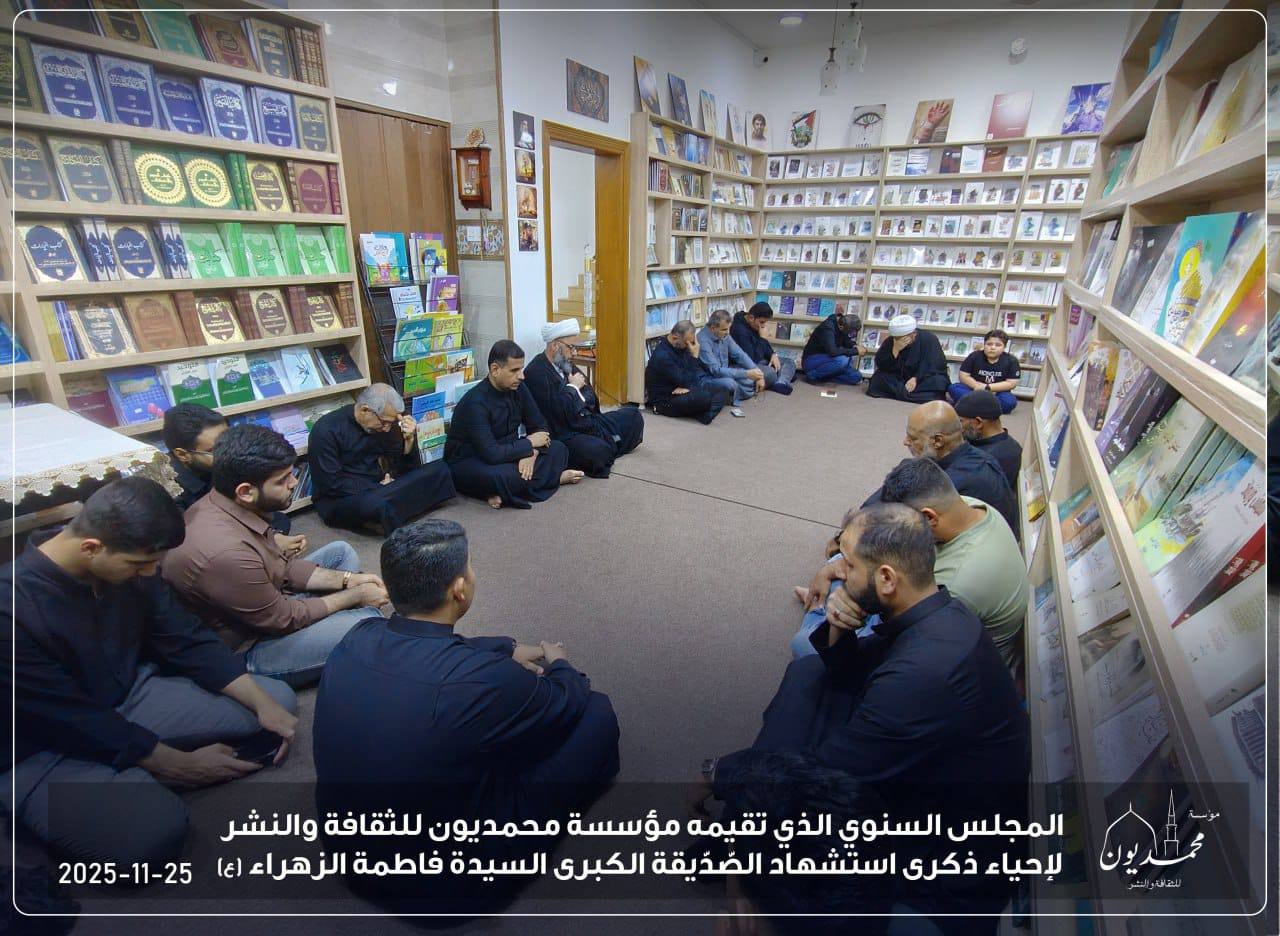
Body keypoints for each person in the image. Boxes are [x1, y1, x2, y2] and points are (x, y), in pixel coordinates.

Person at [716, 504, 1029, 933]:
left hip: (941, 864)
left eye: (847, 563)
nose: (838, 572)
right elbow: (852, 671)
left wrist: (723, 772)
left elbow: (826, 775)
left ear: (886, 578)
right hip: (925, 789)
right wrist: (840, 626)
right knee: (807, 675)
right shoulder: (940, 611)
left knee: (776, 809)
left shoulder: (921, 677)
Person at [314, 519, 619, 906]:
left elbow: (435, 645)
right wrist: (560, 664)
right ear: (459, 588)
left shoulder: (357, 635)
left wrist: (506, 647)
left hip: (345, 856)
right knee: (597, 713)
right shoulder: (485, 681)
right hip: (448, 888)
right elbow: (567, 700)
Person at [2, 477, 298, 865]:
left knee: (275, 701)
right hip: (40, 742)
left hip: (125, 694)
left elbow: (184, 636)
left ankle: (133, 768)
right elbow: (68, 716)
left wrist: (261, 704)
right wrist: (174, 764)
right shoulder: (11, 609)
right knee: (154, 835)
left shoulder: (133, 562)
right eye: (140, 564)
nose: (149, 573)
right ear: (91, 547)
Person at [162, 424, 389, 687]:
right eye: (283, 480)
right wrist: (354, 595)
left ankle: (332, 621)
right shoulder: (225, 553)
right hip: (247, 646)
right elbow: (283, 618)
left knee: (340, 552)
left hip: (264, 602)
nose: (295, 482)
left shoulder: (225, 502)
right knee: (369, 623)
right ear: (246, 491)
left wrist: (348, 580)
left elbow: (281, 566)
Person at [794, 460, 1028, 669]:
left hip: (930, 650)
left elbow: (897, 635)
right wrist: (833, 569)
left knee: (805, 645)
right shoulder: (968, 506)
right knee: (848, 558)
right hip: (920, 604)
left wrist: (842, 608)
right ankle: (825, 601)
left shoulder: (957, 582)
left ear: (928, 518)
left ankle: (818, 609)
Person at [445, 339, 582, 508]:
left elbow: (540, 426)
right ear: (495, 370)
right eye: (514, 370)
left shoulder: (518, 387)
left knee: (558, 448)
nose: (522, 376)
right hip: (473, 460)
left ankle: (506, 491)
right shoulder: (475, 402)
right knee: (502, 476)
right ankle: (554, 479)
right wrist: (529, 444)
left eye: (521, 369)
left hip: (509, 451)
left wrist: (531, 454)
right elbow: (491, 453)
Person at [307, 383, 456, 536]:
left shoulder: (383, 424)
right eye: (384, 422)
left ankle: (383, 516)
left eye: (391, 423)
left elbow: (405, 468)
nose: (387, 428)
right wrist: (377, 487)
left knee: (440, 469)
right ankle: (389, 514)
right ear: (365, 410)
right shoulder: (325, 431)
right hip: (341, 497)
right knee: (375, 504)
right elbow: (331, 484)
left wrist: (409, 440)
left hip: (382, 487)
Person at [864, 401, 1018, 536]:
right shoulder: (974, 457)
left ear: (938, 441)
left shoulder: (956, 479)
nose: (905, 442)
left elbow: (878, 516)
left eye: (913, 438)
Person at [522, 318, 643, 478]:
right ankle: (611, 442)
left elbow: (590, 395)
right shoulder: (536, 373)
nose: (574, 353)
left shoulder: (564, 363)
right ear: (555, 346)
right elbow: (557, 412)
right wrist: (573, 388)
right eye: (571, 347)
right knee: (597, 451)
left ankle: (611, 441)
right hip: (565, 433)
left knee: (633, 416)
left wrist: (576, 398)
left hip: (586, 420)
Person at [163, 403, 296, 544]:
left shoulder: (220, 462)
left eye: (228, 442)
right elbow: (190, 540)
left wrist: (271, 535)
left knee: (279, 521)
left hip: (227, 518)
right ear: (182, 454)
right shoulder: (169, 491)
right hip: (207, 538)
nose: (228, 452)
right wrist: (268, 542)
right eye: (215, 449)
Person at [644, 320, 733, 423]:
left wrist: (688, 387)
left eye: (692, 342)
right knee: (704, 397)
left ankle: (701, 413)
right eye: (687, 342)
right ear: (675, 338)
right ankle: (704, 414)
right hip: (666, 399)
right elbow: (687, 380)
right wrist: (694, 356)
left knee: (724, 389)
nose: (690, 345)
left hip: (682, 388)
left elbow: (692, 376)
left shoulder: (680, 345)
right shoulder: (663, 356)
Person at [866, 314, 949, 403]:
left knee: (939, 383)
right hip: (899, 379)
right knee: (877, 379)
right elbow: (881, 365)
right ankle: (907, 394)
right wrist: (895, 350)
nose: (900, 340)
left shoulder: (929, 339)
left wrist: (916, 378)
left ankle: (902, 393)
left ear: (913, 334)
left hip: (922, 379)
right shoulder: (892, 341)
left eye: (903, 337)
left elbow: (935, 364)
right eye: (897, 338)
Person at [698, 309, 765, 416]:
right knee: (730, 383)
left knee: (763, 374)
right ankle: (733, 394)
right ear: (713, 328)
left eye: (729, 328)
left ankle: (733, 393)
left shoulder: (724, 334)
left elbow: (740, 355)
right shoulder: (702, 340)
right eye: (725, 329)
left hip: (726, 373)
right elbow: (715, 371)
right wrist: (747, 374)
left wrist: (757, 372)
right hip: (709, 378)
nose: (728, 332)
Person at [954, 389, 1023, 491]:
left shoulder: (985, 460)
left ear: (978, 423)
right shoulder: (1013, 445)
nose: (959, 428)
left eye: (961, 421)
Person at [731, 301, 795, 395]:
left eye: (765, 322)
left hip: (759, 359)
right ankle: (780, 378)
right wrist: (762, 339)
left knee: (789, 362)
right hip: (743, 366)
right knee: (770, 372)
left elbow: (764, 349)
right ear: (751, 318)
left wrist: (772, 354)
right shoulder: (739, 330)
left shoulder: (754, 324)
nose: (764, 325)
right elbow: (751, 360)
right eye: (761, 322)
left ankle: (780, 382)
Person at [948, 329, 1020, 414]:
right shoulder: (974, 356)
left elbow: (1011, 383)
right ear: (984, 344)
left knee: (1009, 402)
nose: (992, 347)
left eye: (998, 345)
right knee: (954, 388)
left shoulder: (1011, 360)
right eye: (989, 344)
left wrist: (987, 387)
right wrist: (977, 386)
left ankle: (970, 406)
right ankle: (989, 409)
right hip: (974, 390)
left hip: (997, 392)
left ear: (1004, 347)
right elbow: (963, 376)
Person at [800, 309, 862, 385]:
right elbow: (832, 351)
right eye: (850, 333)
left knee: (856, 377)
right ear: (842, 327)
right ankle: (812, 375)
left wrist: (855, 346)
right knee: (843, 360)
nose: (852, 335)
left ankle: (824, 375)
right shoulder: (827, 328)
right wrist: (856, 351)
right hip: (811, 360)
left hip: (829, 362)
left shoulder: (843, 325)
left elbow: (846, 341)